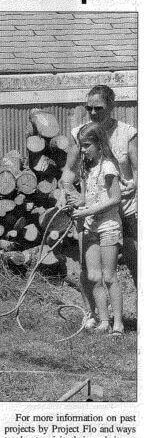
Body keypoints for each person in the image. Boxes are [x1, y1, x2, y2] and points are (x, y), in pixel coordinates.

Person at [61, 85, 137, 289]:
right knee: (89, 268)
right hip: (92, 210)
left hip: (126, 207)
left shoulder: (127, 133)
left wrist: (135, 185)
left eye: (99, 108)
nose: (93, 113)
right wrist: (71, 193)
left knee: (136, 260)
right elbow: (69, 171)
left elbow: (139, 169)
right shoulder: (80, 134)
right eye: (89, 108)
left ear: (112, 105)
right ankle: (92, 316)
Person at [69, 123, 124, 335]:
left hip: (108, 226)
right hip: (90, 226)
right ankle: (103, 321)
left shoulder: (108, 167)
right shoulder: (87, 167)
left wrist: (87, 211)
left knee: (109, 276)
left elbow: (115, 198)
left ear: (99, 144)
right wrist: (78, 203)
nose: (82, 150)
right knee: (93, 276)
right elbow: (87, 196)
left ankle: (118, 323)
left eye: (86, 146)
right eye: (81, 146)